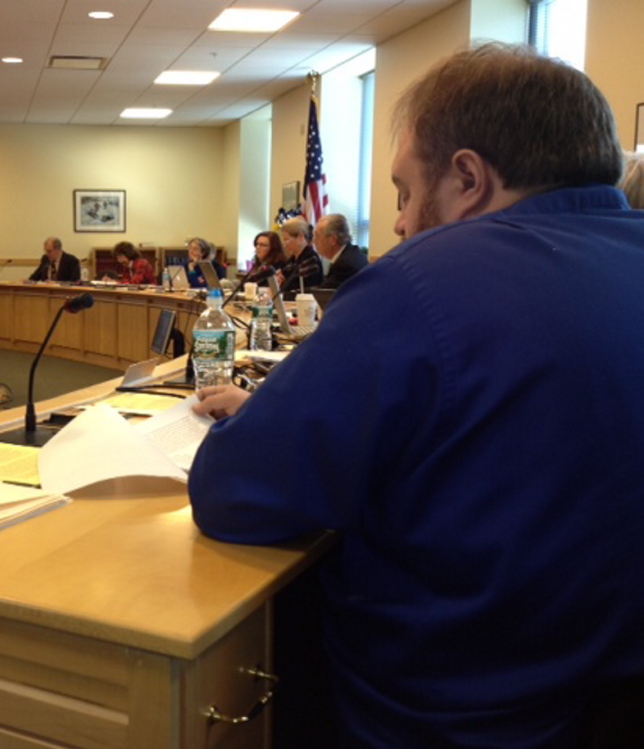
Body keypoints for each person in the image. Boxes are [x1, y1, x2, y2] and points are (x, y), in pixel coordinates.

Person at [189, 44, 644, 748]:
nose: (397, 224)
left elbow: (232, 493)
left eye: (402, 192)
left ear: (467, 177)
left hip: (441, 715)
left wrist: (275, 424)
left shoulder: (424, 280)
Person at [313, 214, 368, 290]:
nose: (314, 241)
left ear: (332, 240)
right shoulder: (351, 253)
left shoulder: (345, 266)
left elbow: (325, 295)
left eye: (317, 236)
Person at [276, 217, 322, 299]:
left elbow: (298, 288)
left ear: (301, 237)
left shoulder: (311, 259)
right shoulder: (292, 260)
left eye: (286, 239)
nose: (284, 244)